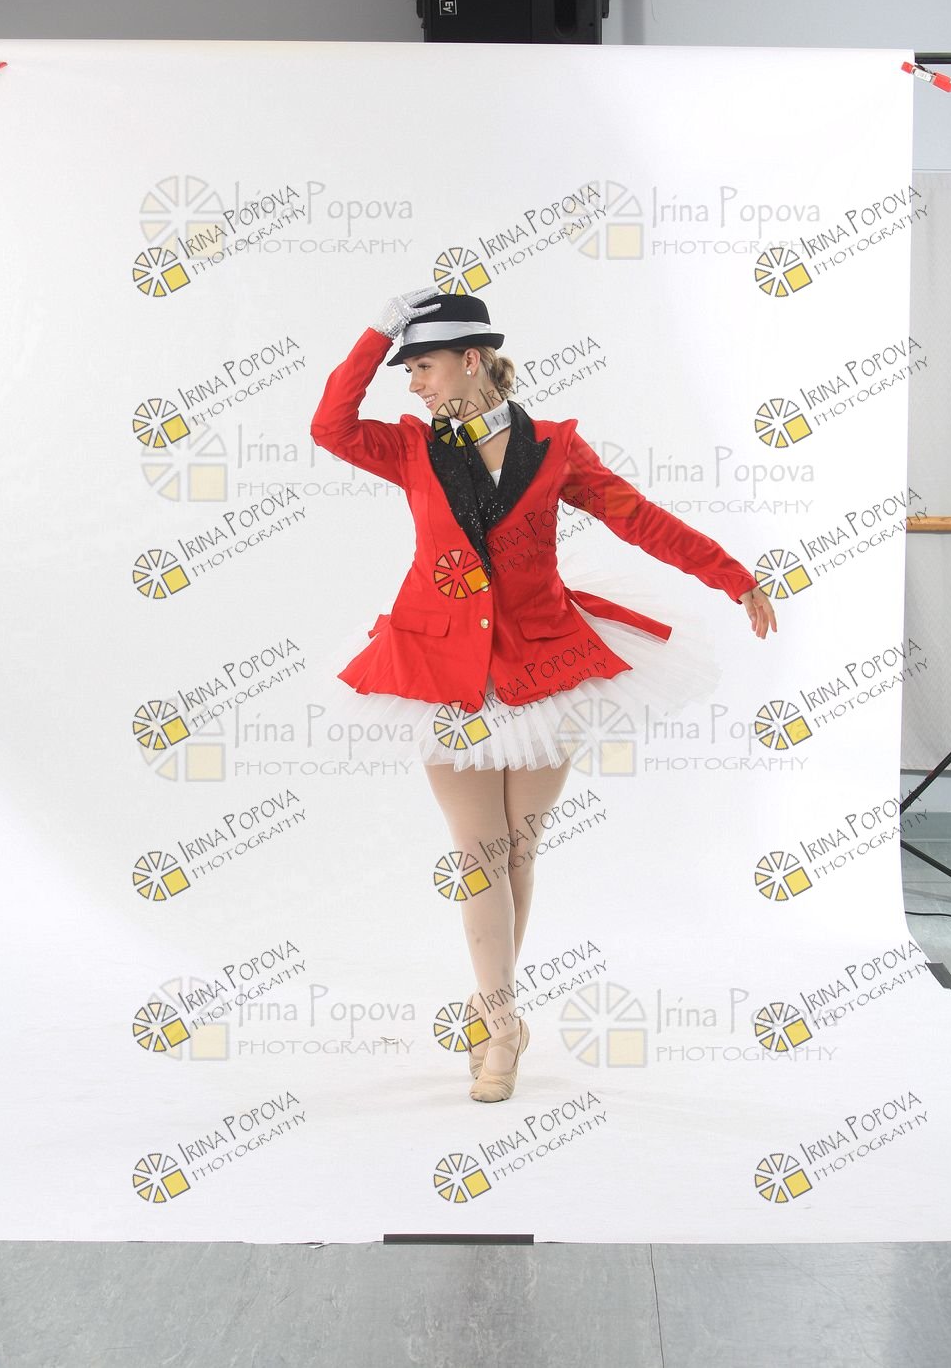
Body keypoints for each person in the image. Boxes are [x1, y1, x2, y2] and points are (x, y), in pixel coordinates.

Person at [310, 286, 777, 1105]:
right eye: (406, 370)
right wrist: (380, 330)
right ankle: (503, 1026)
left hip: (543, 665)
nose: (413, 385)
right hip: (440, 667)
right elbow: (330, 427)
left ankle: (491, 1006)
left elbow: (640, 519)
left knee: (517, 852)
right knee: (478, 855)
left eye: (422, 367)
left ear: (472, 360)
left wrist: (733, 576)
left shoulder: (556, 447)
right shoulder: (412, 447)